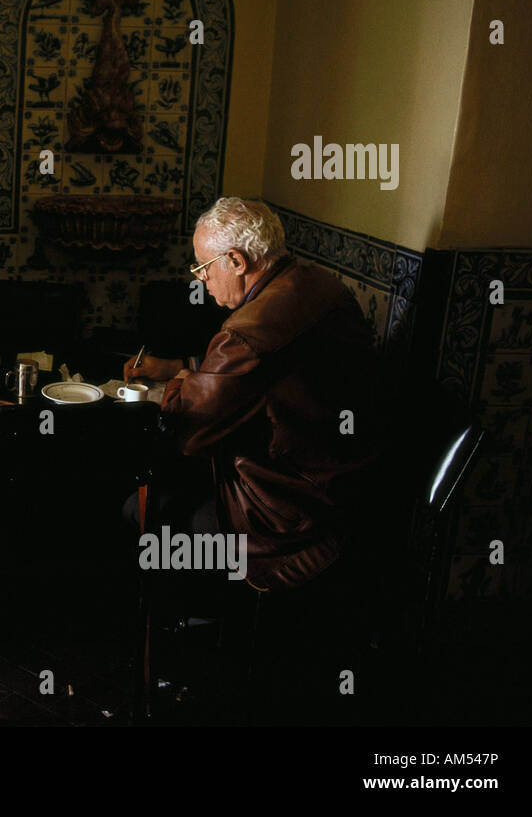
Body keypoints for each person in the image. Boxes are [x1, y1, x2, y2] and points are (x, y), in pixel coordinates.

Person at [124, 197, 389, 722]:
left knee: (144, 511)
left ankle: (193, 647)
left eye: (203, 267)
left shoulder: (250, 329)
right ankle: (205, 633)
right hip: (342, 474)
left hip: (290, 509)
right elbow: (255, 376)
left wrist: (170, 388)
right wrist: (180, 368)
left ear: (237, 261)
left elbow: (192, 429)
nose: (201, 281)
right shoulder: (315, 284)